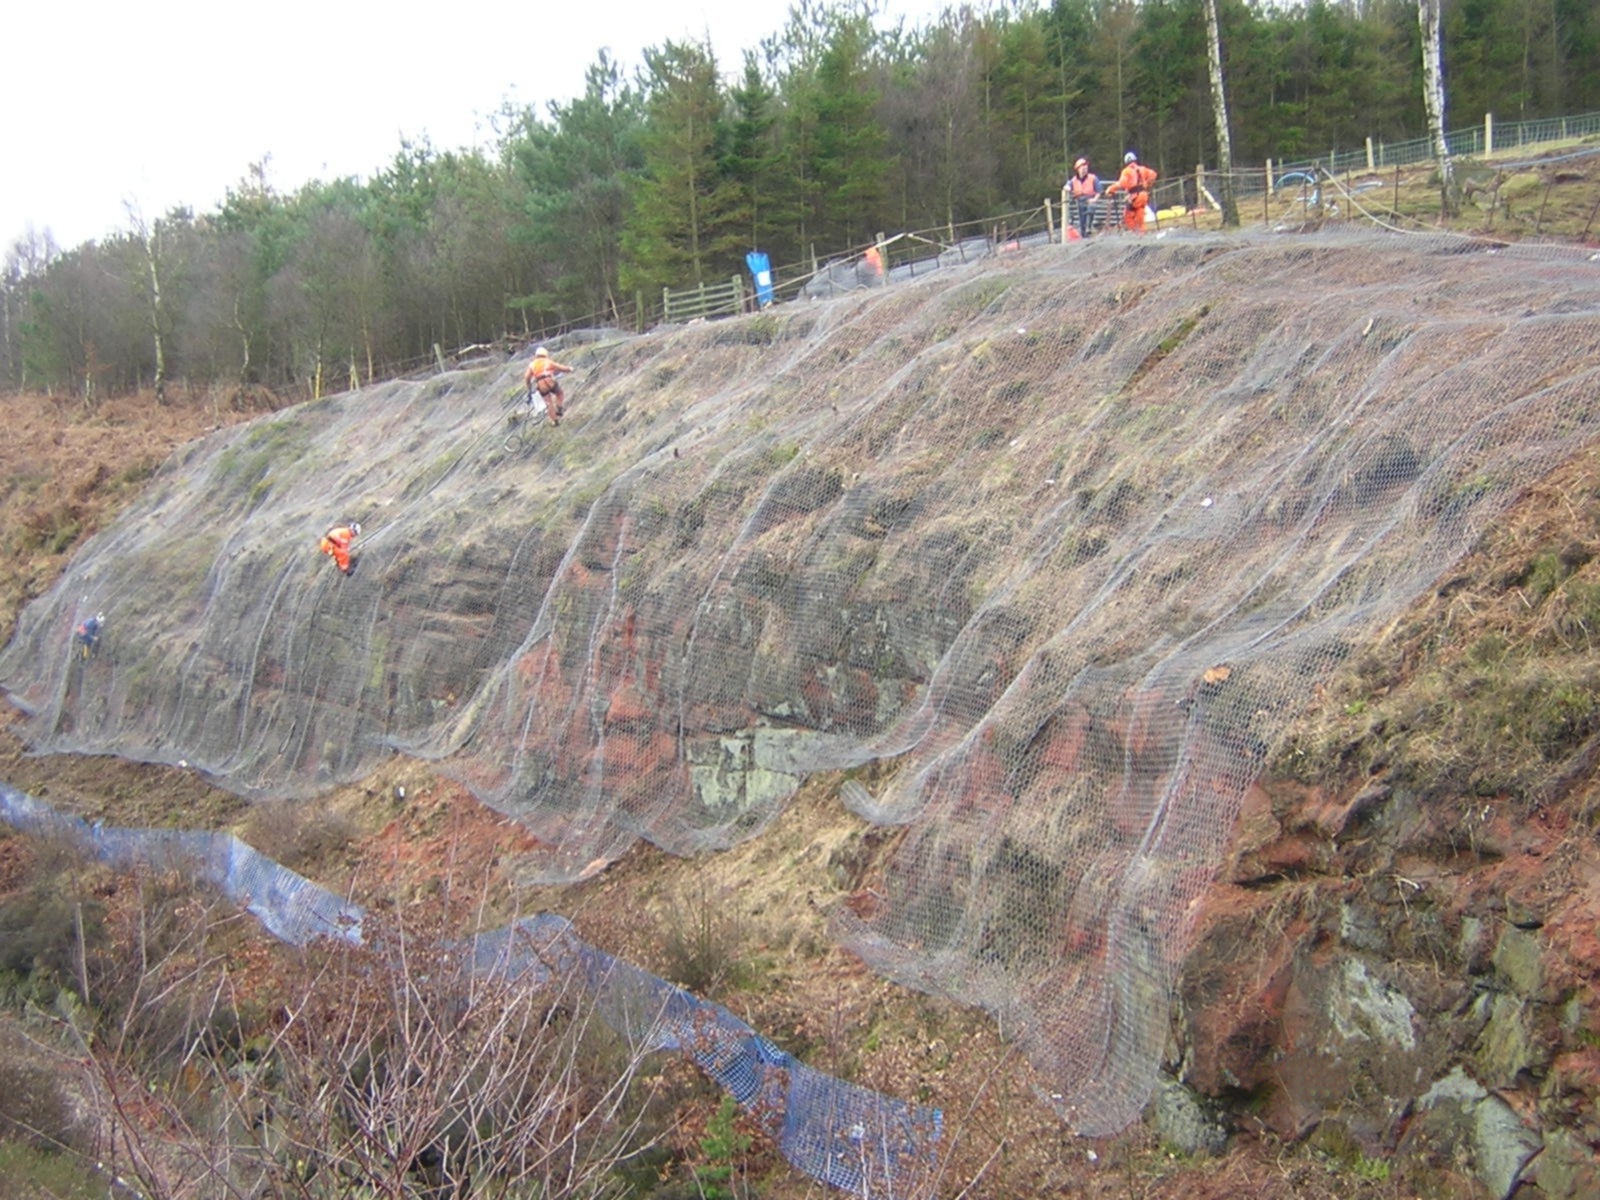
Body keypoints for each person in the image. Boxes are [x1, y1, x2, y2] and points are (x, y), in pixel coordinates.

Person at [1104, 150, 1159, 233]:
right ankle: (1141, 232)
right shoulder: (1142, 169)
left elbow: (1122, 183)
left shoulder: (1126, 171)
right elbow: (1153, 174)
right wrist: (1147, 184)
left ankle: (1135, 232)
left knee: (1128, 216)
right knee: (1140, 214)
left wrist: (1111, 189)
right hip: (1144, 195)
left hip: (1135, 197)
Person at [523, 346, 575, 426]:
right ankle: (559, 408)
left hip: (541, 385)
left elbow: (527, 377)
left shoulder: (532, 365)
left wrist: (529, 387)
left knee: (548, 403)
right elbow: (560, 367)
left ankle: (555, 421)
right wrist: (569, 369)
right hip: (549, 381)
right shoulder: (547, 361)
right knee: (560, 393)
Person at [1067, 157, 1099, 239]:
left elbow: (1099, 191)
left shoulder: (1093, 178)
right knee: (1082, 220)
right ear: (1078, 169)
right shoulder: (1073, 180)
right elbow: (1068, 186)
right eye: (1082, 168)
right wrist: (1067, 188)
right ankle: (1084, 235)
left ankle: (1089, 227)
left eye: (1086, 168)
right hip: (1079, 201)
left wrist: (1094, 199)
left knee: (1091, 209)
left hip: (1089, 199)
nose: (1084, 170)